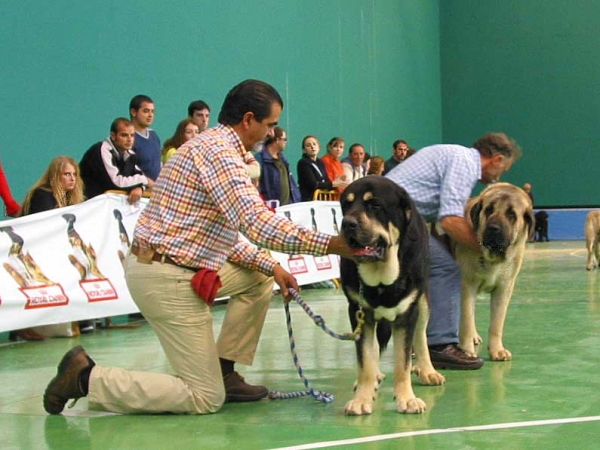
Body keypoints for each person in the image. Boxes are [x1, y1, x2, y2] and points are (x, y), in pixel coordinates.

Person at [43, 79, 355, 416]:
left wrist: (272, 266)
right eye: (270, 125)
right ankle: (86, 378)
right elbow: (257, 223)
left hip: (173, 266)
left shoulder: (214, 148)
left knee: (259, 277)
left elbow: (224, 235)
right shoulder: (220, 155)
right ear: (248, 119)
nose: (271, 133)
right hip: (167, 278)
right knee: (204, 397)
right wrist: (333, 244)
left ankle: (224, 372)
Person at [386, 132, 521, 370]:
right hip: (394, 220)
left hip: (394, 217)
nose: (500, 176)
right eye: (503, 169)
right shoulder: (465, 164)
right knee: (447, 268)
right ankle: (441, 345)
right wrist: (487, 250)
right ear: (497, 159)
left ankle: (426, 340)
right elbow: (450, 220)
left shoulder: (456, 156)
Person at [9, 156, 85, 341]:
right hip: (30, 252)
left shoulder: (70, 198)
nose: (72, 178)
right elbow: (43, 229)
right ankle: (24, 326)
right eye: (66, 174)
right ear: (54, 176)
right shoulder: (42, 195)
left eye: (74, 174)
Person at [79, 118, 149, 205]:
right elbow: (116, 183)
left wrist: (140, 188)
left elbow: (139, 176)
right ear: (113, 136)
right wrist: (143, 181)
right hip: (85, 204)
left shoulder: (130, 154)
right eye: (124, 135)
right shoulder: (101, 150)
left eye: (132, 135)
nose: (129, 139)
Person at [255, 126, 301, 206]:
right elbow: (256, 184)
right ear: (277, 140)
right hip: (270, 208)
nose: (286, 142)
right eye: (284, 139)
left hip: (287, 207)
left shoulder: (282, 159)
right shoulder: (260, 158)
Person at [130, 94, 161, 187]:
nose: (150, 115)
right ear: (133, 112)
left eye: (152, 111)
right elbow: (127, 169)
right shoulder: (128, 138)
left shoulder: (154, 135)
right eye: (146, 111)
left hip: (156, 193)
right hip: (138, 193)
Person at [297, 136, 339, 201]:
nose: (312, 147)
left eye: (314, 144)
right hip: (309, 200)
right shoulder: (303, 163)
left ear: (319, 147)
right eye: (308, 145)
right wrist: (332, 184)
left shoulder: (320, 162)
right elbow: (313, 184)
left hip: (321, 200)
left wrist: (337, 183)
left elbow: (326, 181)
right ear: (304, 150)